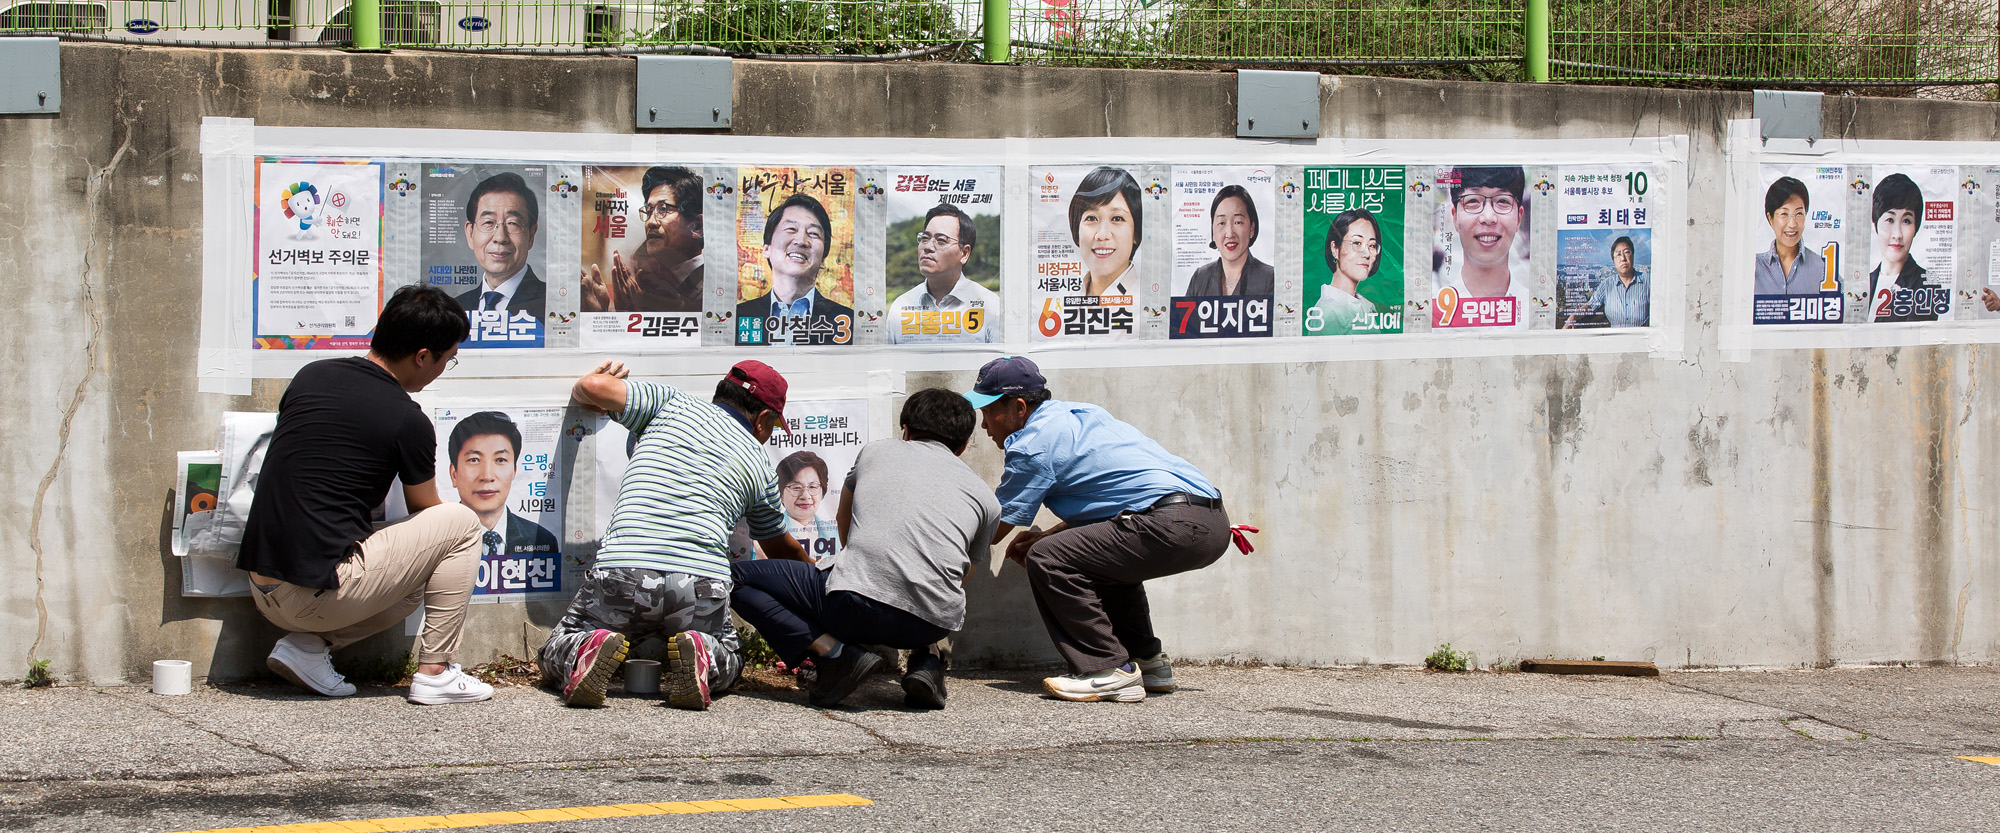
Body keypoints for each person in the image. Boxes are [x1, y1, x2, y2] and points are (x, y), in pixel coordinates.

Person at [235, 285, 493, 705]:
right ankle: (436, 672)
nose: (444, 369)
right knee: (462, 525)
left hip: (261, 588)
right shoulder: (407, 419)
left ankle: (307, 647)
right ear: (423, 356)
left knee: (412, 584)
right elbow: (426, 510)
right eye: (448, 359)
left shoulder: (311, 375)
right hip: (314, 594)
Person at [538, 360, 813, 709]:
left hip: (625, 572)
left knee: (556, 647)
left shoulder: (671, 403)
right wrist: (816, 572)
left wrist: (599, 389)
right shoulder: (760, 465)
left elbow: (591, 388)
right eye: (773, 424)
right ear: (762, 420)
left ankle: (585, 649)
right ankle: (704, 652)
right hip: (701, 585)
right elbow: (780, 547)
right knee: (730, 655)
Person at [964, 357, 1229, 703]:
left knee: (1047, 558)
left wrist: (939, 552)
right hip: (1211, 521)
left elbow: (996, 527)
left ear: (1018, 407)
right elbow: (1112, 504)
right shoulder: (1080, 415)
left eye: (989, 412)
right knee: (1094, 559)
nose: (984, 426)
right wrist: (1050, 533)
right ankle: (1146, 661)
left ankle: (1105, 668)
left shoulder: (1032, 442)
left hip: (1171, 522)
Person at [731, 389, 1000, 709]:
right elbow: (960, 574)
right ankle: (928, 662)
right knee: (931, 595)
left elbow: (844, 519)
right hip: (931, 624)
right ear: (964, 445)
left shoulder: (876, 452)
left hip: (852, 607)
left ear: (906, 431)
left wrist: (865, 573)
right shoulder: (988, 501)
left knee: (734, 577)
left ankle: (834, 654)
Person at [735, 193, 855, 345]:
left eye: (813, 233)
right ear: (767, 248)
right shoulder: (739, 317)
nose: (801, 241)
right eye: (791, 229)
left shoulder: (846, 322)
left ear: (823, 259)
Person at [582, 165, 704, 313]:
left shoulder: (708, 289)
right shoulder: (651, 284)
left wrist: (634, 310)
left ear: (696, 226)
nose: (650, 222)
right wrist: (600, 313)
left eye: (663, 209)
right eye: (648, 211)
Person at [445, 411, 559, 561]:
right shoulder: (437, 539)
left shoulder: (542, 540)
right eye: (474, 460)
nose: (487, 476)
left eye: (500, 460)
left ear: (514, 471)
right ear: (454, 474)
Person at [885, 203, 1000, 344]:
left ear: (964, 253)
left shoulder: (990, 306)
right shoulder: (901, 307)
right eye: (924, 238)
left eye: (941, 241)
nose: (927, 247)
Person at [1437, 166, 1528, 327]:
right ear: (1455, 217)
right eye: (1473, 201)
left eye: (1502, 201)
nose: (1488, 217)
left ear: (1519, 218)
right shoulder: (1435, 315)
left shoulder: (1532, 311)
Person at [455, 172, 546, 324]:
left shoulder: (553, 305)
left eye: (513, 223)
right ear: (470, 234)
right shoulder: (455, 309)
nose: (500, 237)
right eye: (488, 222)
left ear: (531, 235)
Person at [1865, 173, 1936, 323]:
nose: (1897, 235)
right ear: (1876, 223)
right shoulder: (1864, 283)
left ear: (1916, 227)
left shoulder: (1927, 283)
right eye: (1890, 220)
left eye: (1907, 221)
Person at [1184, 185, 1273, 297]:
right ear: (1213, 230)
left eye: (1238, 222)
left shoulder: (1269, 279)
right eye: (1222, 223)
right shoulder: (1200, 278)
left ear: (1252, 228)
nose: (1230, 233)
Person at [1069, 166, 1143, 299]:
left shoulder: (1148, 301)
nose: (1102, 235)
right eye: (1091, 218)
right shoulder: (1060, 302)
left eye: (1117, 218)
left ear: (1136, 234)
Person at [1752, 176, 1830, 296]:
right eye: (1784, 214)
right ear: (1770, 218)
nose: (1792, 224)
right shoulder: (1754, 267)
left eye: (1799, 213)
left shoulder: (1822, 268)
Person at [1310, 208, 1383, 334]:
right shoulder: (1330, 312)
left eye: (1371, 245)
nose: (1366, 254)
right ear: (1335, 248)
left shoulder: (1364, 305)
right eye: (1357, 243)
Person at [1565, 236, 1651, 328]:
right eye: (1618, 254)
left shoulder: (1647, 280)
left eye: (1627, 252)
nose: (1623, 258)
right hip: (1614, 340)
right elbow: (1591, 305)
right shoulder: (1607, 284)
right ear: (1613, 261)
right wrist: (1573, 316)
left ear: (1633, 255)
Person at [775, 450, 840, 562]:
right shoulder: (770, 536)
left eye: (813, 487)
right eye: (796, 487)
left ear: (822, 491)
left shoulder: (837, 534)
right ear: (780, 494)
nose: (805, 496)